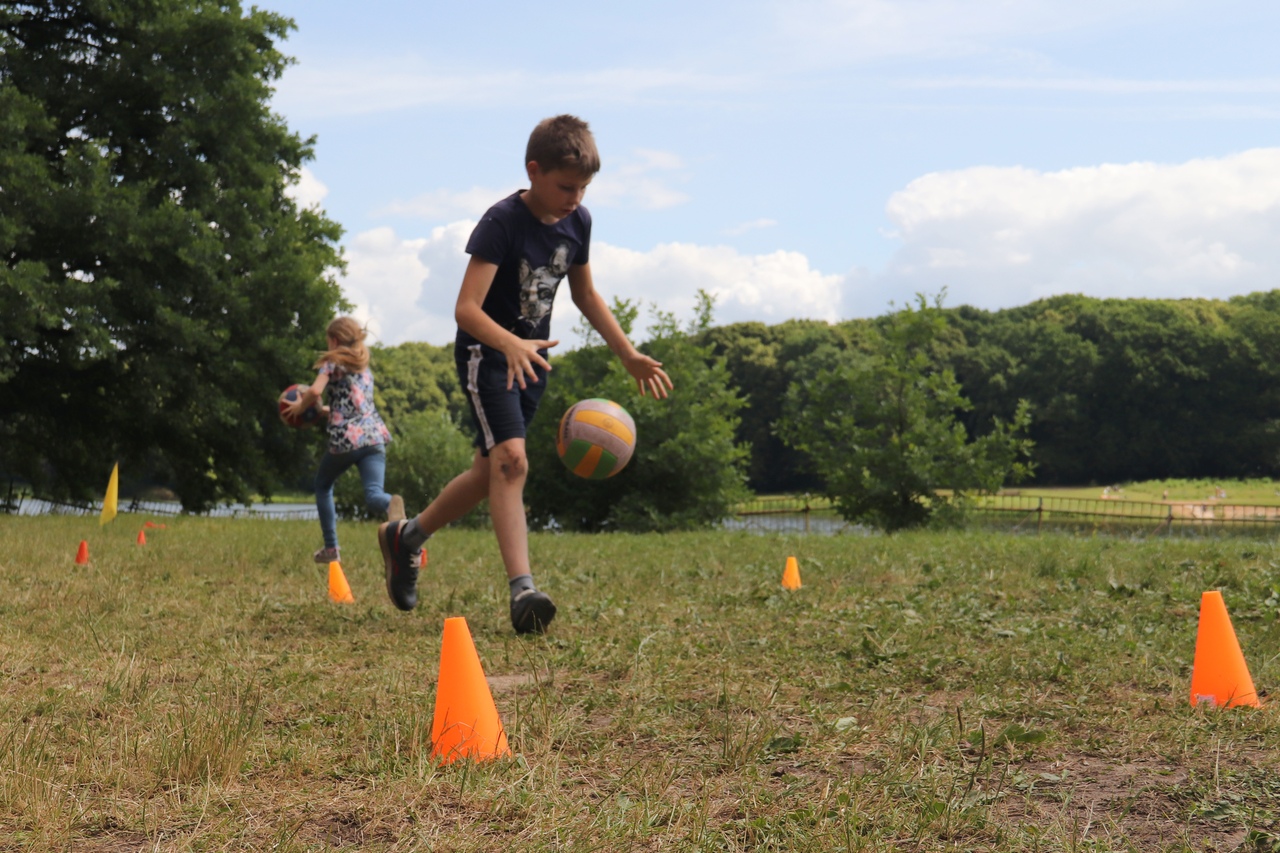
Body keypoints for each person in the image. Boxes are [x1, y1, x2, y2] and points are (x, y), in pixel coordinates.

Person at [377, 115, 672, 633]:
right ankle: (523, 591)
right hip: (486, 355)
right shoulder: (502, 222)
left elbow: (584, 294)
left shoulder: (578, 222)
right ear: (533, 171)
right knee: (512, 462)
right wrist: (509, 342)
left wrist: (626, 353)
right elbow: (466, 308)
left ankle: (406, 538)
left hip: (533, 362)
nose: (575, 198)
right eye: (565, 186)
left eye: (583, 187)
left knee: (489, 472)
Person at [286, 316, 404, 564]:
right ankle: (391, 505)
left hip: (347, 440)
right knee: (374, 494)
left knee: (323, 485)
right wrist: (321, 410)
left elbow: (315, 391)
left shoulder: (332, 362)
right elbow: (353, 407)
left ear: (335, 340)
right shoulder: (364, 368)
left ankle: (332, 549)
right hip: (374, 438)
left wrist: (299, 407)